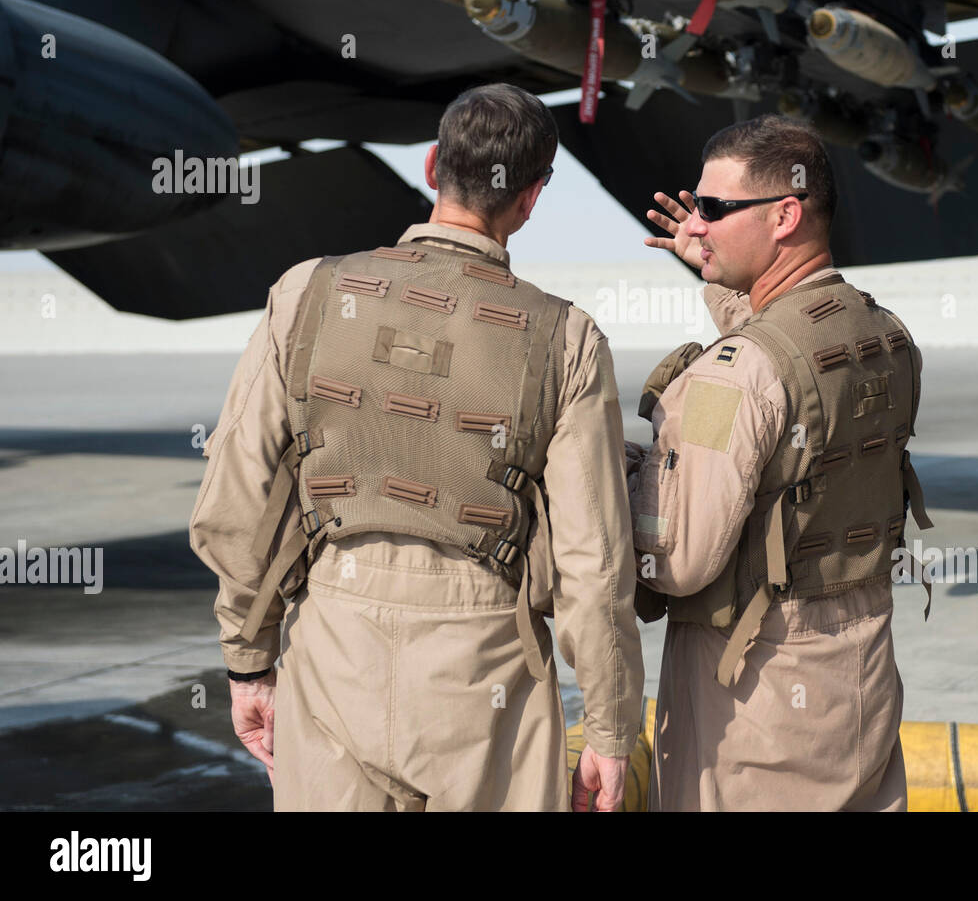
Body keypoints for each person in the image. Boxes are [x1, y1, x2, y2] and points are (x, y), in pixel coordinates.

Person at [190, 83, 643, 811]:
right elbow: (594, 560)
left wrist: (248, 661)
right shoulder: (567, 338)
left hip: (333, 641)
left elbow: (236, 494)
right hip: (483, 663)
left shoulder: (306, 293)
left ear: (433, 165)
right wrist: (611, 726)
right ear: (532, 198)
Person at [626, 113, 933, 811]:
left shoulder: (733, 375)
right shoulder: (884, 337)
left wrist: (623, 478)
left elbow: (678, 561)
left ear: (785, 215)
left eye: (714, 209)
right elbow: (791, 352)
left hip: (752, 707)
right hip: (854, 685)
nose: (696, 223)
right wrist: (711, 263)